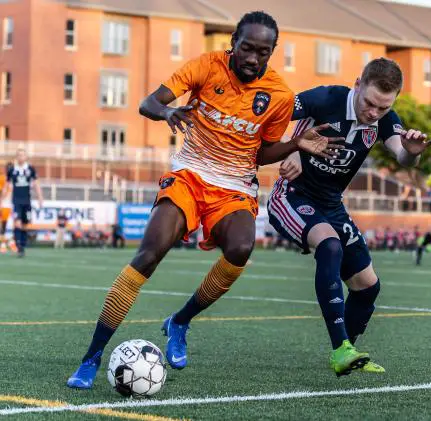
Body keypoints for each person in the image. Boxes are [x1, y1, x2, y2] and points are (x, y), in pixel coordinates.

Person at [67, 11, 343, 389]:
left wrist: (295, 144)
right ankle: (90, 358)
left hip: (234, 188)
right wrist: (168, 111)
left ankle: (180, 320)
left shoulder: (279, 95)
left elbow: (261, 154)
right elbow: (148, 102)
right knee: (148, 255)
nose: (252, 58)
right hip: (189, 176)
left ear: (272, 52)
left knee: (242, 247)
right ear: (233, 41)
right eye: (247, 48)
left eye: (263, 52)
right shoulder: (205, 66)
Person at [268, 58, 431, 376]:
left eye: (383, 108)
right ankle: (340, 349)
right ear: (357, 84)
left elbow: (403, 155)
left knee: (367, 286)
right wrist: (291, 151)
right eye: (369, 103)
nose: (373, 113)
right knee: (329, 245)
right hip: (291, 196)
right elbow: (268, 118)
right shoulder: (325, 98)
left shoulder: (384, 119)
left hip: (331, 204)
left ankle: (349, 350)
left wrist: (412, 151)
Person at [0, 149, 44, 258]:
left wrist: (40, 198)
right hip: (16, 200)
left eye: (23, 155)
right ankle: (19, 246)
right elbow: (7, 185)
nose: (21, 157)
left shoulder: (30, 169)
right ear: (16, 157)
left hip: (27, 200)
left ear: (26, 157)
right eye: (19, 155)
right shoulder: (12, 170)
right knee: (17, 223)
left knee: (25, 224)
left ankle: (22, 245)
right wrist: (2, 199)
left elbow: (36, 184)